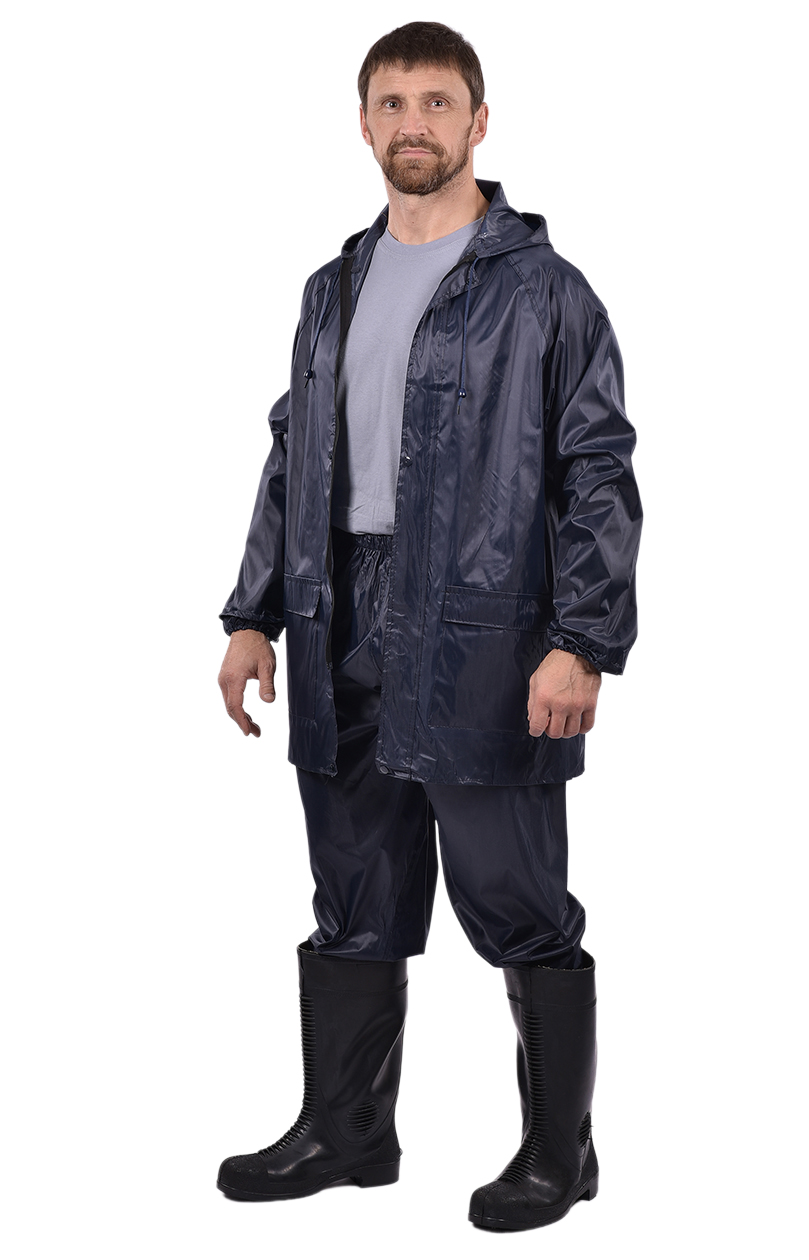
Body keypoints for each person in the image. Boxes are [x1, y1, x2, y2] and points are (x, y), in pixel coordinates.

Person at [215, 21, 642, 1232]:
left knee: (516, 898)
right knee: (354, 888)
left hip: (485, 626)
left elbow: (598, 470)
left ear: (479, 123)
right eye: (393, 102)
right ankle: (348, 1133)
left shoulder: (545, 291)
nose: (415, 123)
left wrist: (581, 638)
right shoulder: (332, 286)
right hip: (335, 612)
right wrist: (253, 615)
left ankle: (560, 1151)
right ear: (364, 123)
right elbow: (293, 456)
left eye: (438, 102)